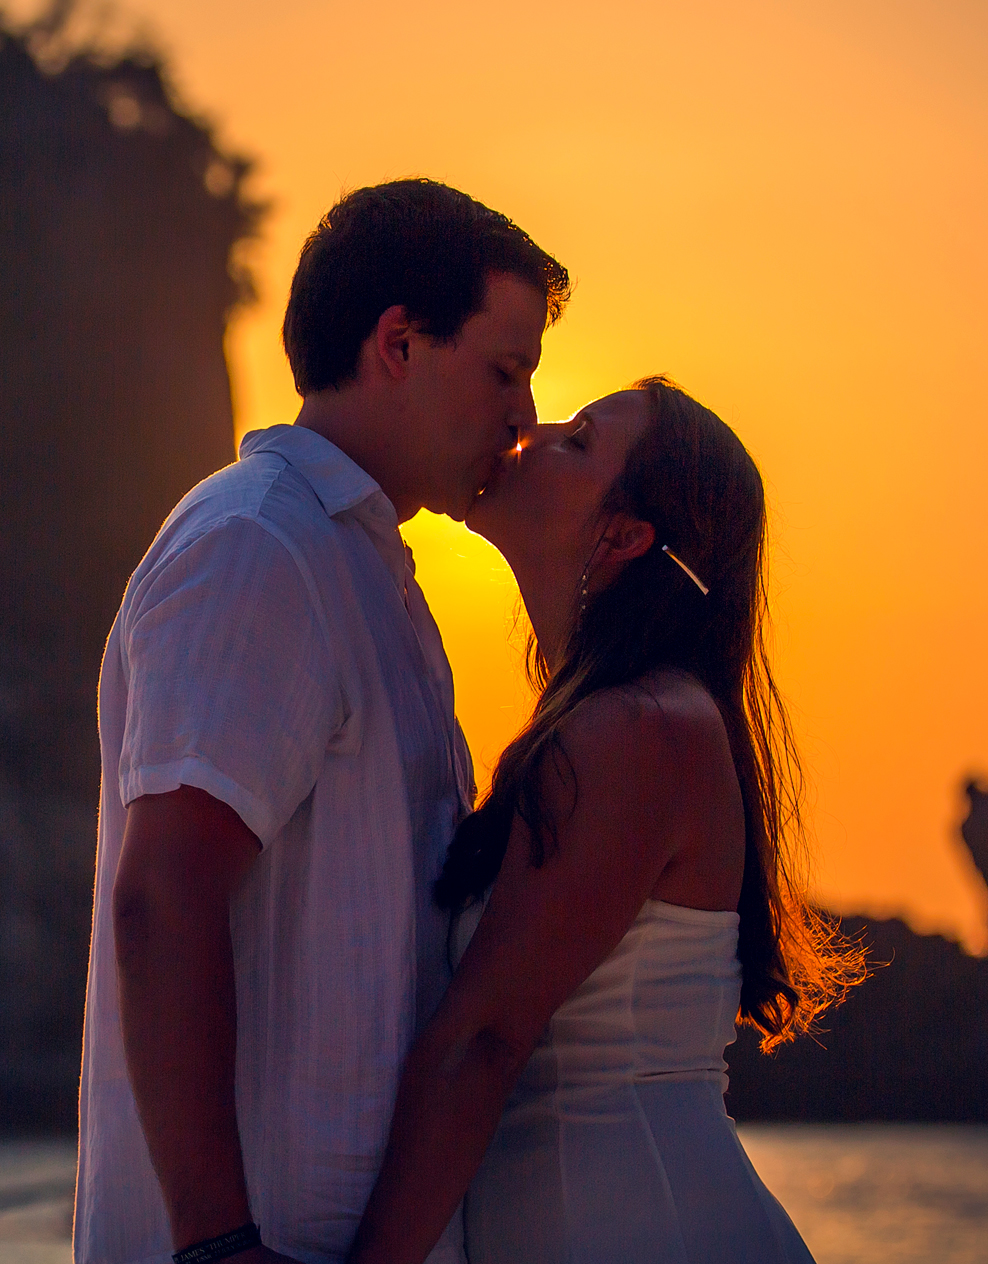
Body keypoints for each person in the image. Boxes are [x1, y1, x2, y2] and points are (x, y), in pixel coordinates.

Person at [73, 180, 571, 1264]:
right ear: (398, 342)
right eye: (503, 371)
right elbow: (163, 895)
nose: (524, 418)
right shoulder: (260, 547)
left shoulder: (367, 570)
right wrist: (218, 1243)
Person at [346, 377, 858, 1264]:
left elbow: (485, 1039)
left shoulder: (640, 729)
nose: (530, 434)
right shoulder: (617, 722)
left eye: (577, 440)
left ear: (623, 535)